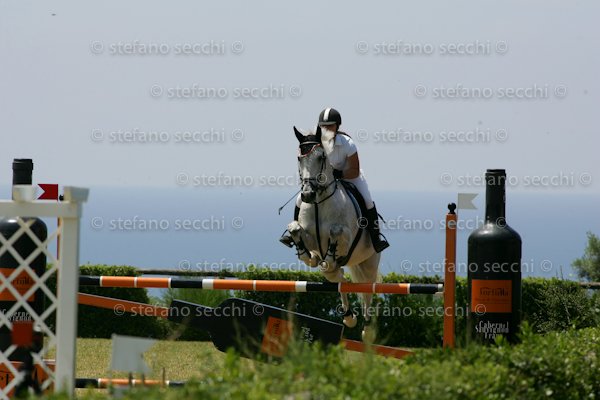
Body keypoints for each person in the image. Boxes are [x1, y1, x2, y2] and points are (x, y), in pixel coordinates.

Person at [281, 107, 389, 253]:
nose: (326, 129)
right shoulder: (317, 144)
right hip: (325, 181)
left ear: (337, 126)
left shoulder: (347, 143)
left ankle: (376, 238)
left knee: (367, 201)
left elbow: (354, 170)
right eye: (323, 126)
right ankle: (293, 233)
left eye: (330, 126)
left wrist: (339, 174)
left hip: (349, 176)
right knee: (300, 199)